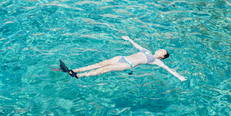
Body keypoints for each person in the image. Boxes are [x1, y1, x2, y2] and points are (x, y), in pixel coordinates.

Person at [59, 36, 187, 82]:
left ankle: (80, 76)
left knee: (104, 69)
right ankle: (74, 70)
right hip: (121, 58)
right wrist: (129, 39)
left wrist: (179, 77)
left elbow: (169, 69)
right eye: (161, 49)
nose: (160, 50)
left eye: (162, 52)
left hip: (126, 65)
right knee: (100, 63)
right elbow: (137, 46)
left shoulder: (156, 61)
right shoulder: (147, 51)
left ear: (162, 57)